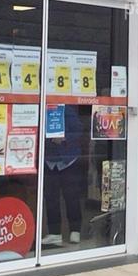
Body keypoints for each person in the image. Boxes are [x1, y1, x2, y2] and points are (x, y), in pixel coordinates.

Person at [42, 105, 85, 245]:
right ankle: (54, 233)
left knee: (72, 196)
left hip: (68, 160)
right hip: (49, 160)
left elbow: (78, 130)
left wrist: (64, 137)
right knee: (51, 198)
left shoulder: (67, 109)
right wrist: (49, 139)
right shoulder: (43, 107)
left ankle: (75, 230)